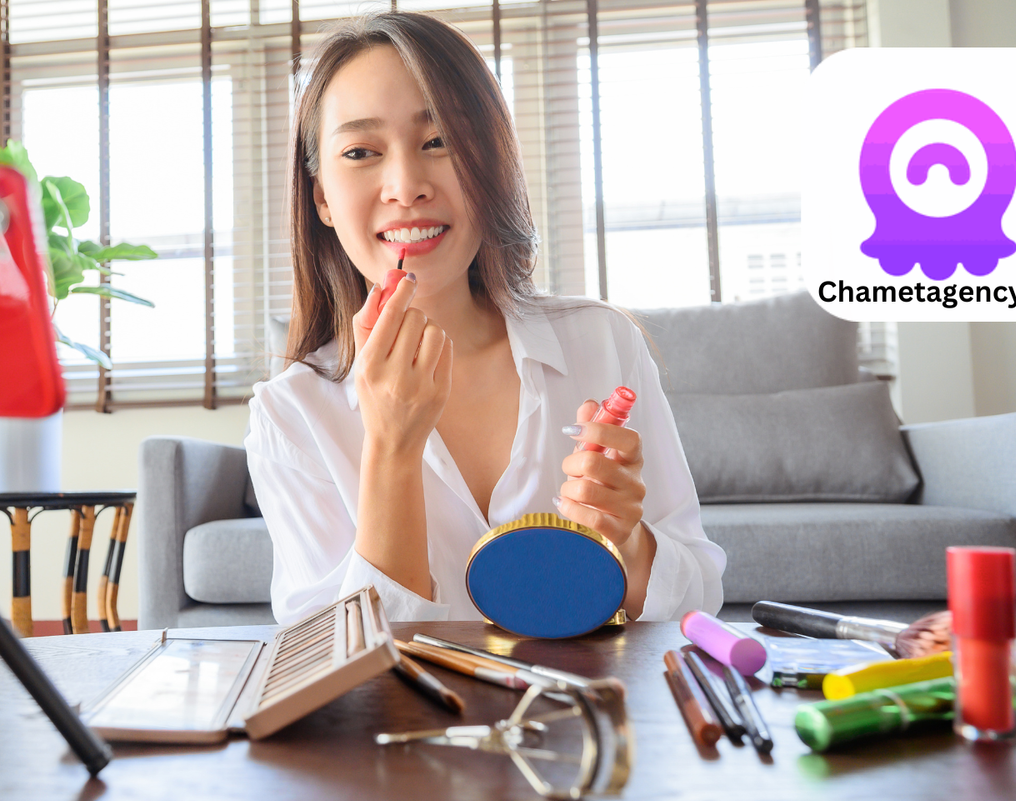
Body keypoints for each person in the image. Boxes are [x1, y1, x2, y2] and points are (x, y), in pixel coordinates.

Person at [247, 11, 725, 625]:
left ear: (489, 164)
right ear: (322, 201)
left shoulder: (600, 344)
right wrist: (391, 447)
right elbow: (333, 662)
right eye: (361, 151)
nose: (406, 185)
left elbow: (698, 602)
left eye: (439, 140)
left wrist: (624, 539)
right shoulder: (290, 415)